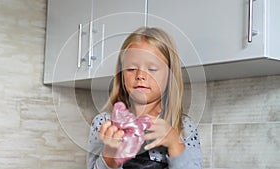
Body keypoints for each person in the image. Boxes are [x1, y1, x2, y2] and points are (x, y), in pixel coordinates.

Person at [87, 27, 202, 169]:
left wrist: (175, 144)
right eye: (131, 69)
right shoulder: (104, 123)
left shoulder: (184, 127)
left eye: (152, 69)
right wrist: (110, 154)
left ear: (170, 76)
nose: (140, 75)